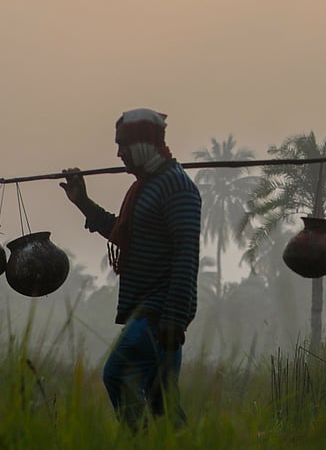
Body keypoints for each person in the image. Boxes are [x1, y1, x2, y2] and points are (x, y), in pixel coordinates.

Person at [59, 108, 202, 429]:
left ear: (144, 144)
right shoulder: (147, 187)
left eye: (124, 144)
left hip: (159, 312)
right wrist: (82, 201)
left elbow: (186, 255)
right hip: (151, 310)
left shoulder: (177, 187)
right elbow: (130, 238)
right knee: (164, 404)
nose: (119, 153)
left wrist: (174, 317)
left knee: (116, 374)